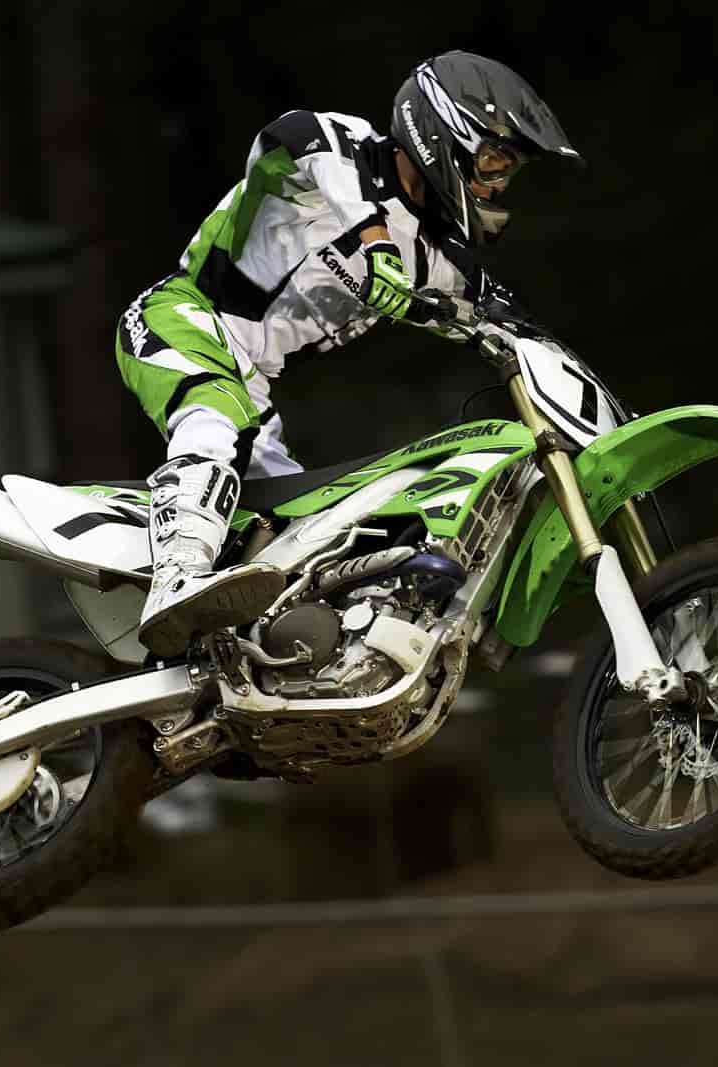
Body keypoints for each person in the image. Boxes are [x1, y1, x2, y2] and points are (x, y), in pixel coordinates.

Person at [115, 50, 586, 657]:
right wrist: (374, 242)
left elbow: (521, 329)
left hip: (254, 388)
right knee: (214, 414)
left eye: (508, 170)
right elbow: (290, 136)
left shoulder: (439, 260)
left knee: (306, 538)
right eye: (494, 160)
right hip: (182, 316)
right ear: (443, 130)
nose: (497, 183)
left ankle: (267, 663)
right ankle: (178, 576)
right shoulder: (337, 146)